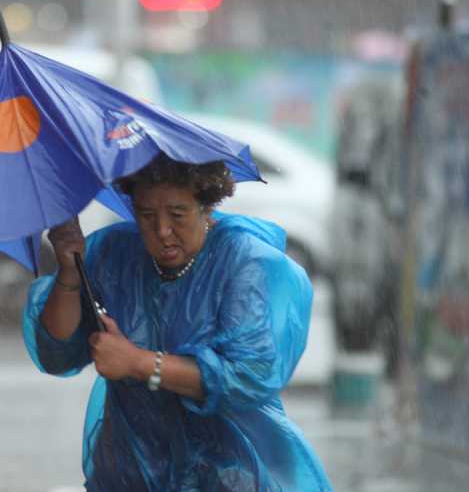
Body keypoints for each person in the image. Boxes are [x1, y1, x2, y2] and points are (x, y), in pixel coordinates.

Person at [22, 153, 332, 491]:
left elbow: (249, 376)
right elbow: (58, 351)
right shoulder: (113, 254)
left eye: (178, 214)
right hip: (131, 467)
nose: (163, 231)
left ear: (206, 205)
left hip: (227, 472)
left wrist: (138, 362)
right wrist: (69, 270)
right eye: (147, 215)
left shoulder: (242, 263)